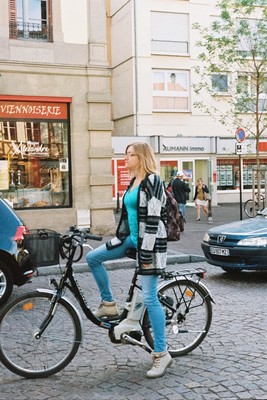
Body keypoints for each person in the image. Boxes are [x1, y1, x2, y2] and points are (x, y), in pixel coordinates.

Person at [86, 142, 172, 379]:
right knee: (93, 257)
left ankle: (161, 354)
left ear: (142, 156)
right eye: (125, 154)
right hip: (130, 240)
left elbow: (153, 219)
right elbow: (128, 216)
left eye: (130, 154)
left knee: (149, 297)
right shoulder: (132, 181)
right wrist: (121, 240)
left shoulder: (153, 181)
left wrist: (145, 252)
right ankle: (108, 304)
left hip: (151, 245)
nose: (126, 158)